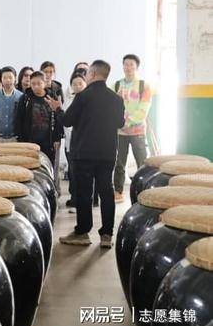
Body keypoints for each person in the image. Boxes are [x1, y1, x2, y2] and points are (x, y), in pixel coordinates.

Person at [47, 60, 125, 248]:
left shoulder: (83, 96)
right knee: (106, 192)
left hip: (84, 153)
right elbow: (120, 123)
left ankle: (83, 232)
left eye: (88, 72)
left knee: (84, 193)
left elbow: (67, 121)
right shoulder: (116, 98)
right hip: (107, 153)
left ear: (93, 74)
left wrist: (57, 108)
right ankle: (107, 235)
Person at [113, 54, 152, 203]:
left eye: (131, 64)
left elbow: (143, 109)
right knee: (119, 163)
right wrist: (120, 124)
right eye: (126, 64)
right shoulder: (116, 85)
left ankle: (144, 191)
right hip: (120, 132)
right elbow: (111, 106)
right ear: (123, 66)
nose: (128, 67)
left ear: (136, 67)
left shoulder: (144, 85)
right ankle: (118, 191)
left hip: (138, 131)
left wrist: (126, 122)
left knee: (142, 163)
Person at [15, 71, 63, 165]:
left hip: (48, 142)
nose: (36, 86)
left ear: (44, 83)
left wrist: (57, 138)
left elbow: (58, 119)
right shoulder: (25, 98)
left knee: (48, 166)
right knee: (30, 165)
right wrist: (20, 140)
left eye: (39, 83)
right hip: (30, 141)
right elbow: (19, 120)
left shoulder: (52, 97)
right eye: (33, 84)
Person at [63, 70, 87, 208]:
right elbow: (65, 119)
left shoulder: (88, 100)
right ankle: (74, 197)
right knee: (72, 172)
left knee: (83, 173)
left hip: (84, 143)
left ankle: (85, 199)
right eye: (74, 84)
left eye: (80, 83)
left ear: (85, 84)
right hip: (70, 141)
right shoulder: (68, 99)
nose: (77, 86)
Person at [0, 66, 23, 143]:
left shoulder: (21, 96)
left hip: (15, 137)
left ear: (15, 78)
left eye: (10, 77)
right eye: (4, 77)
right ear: (1, 79)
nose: (8, 80)